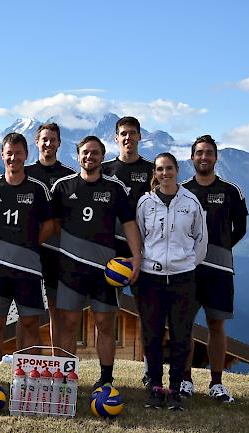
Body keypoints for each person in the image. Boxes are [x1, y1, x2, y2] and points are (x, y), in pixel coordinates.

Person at [51, 136, 142, 390]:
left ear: (102, 157)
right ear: (77, 155)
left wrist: (136, 256)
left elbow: (129, 224)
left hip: (106, 272)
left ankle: (106, 378)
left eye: (95, 153)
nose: (89, 157)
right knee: (67, 324)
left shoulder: (115, 189)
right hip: (70, 270)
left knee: (105, 324)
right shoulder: (62, 187)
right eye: (85, 152)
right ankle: (65, 378)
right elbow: (53, 225)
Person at [0, 132, 54, 383]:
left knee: (30, 323)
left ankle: (28, 381)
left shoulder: (38, 189)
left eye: (18, 153)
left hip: (28, 270)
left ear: (26, 155)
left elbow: (50, 224)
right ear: (2, 155)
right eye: (9, 153)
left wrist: (29, 245)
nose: (13, 157)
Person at [135, 152, 207, 411]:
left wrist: (185, 264)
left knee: (181, 335)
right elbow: (140, 239)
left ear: (177, 170)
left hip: (183, 279)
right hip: (151, 278)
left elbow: (201, 240)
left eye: (169, 168)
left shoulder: (191, 201)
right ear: (154, 173)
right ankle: (155, 387)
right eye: (159, 169)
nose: (165, 173)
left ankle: (175, 388)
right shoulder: (145, 203)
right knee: (151, 335)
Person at [181, 135, 248, 403]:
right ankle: (184, 380)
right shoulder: (182, 191)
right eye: (199, 153)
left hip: (220, 269)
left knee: (216, 324)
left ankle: (217, 383)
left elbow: (240, 228)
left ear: (216, 157)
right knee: (183, 323)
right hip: (188, 269)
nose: (204, 157)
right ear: (192, 157)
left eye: (208, 153)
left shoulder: (231, 191)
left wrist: (218, 250)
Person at [101, 115, 154, 386]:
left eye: (132, 133)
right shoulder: (106, 169)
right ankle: (106, 376)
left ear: (140, 137)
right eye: (123, 133)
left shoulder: (152, 170)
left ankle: (150, 373)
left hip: (145, 254)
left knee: (148, 316)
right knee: (107, 315)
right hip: (112, 254)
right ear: (116, 137)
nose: (128, 138)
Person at [25, 123, 76, 347]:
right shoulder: (24, 174)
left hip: (57, 253)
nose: (48, 143)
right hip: (29, 252)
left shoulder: (69, 177)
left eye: (52, 139)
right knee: (27, 313)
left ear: (59, 143)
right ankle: (24, 364)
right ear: (36, 142)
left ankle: (59, 369)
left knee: (58, 312)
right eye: (44, 139)